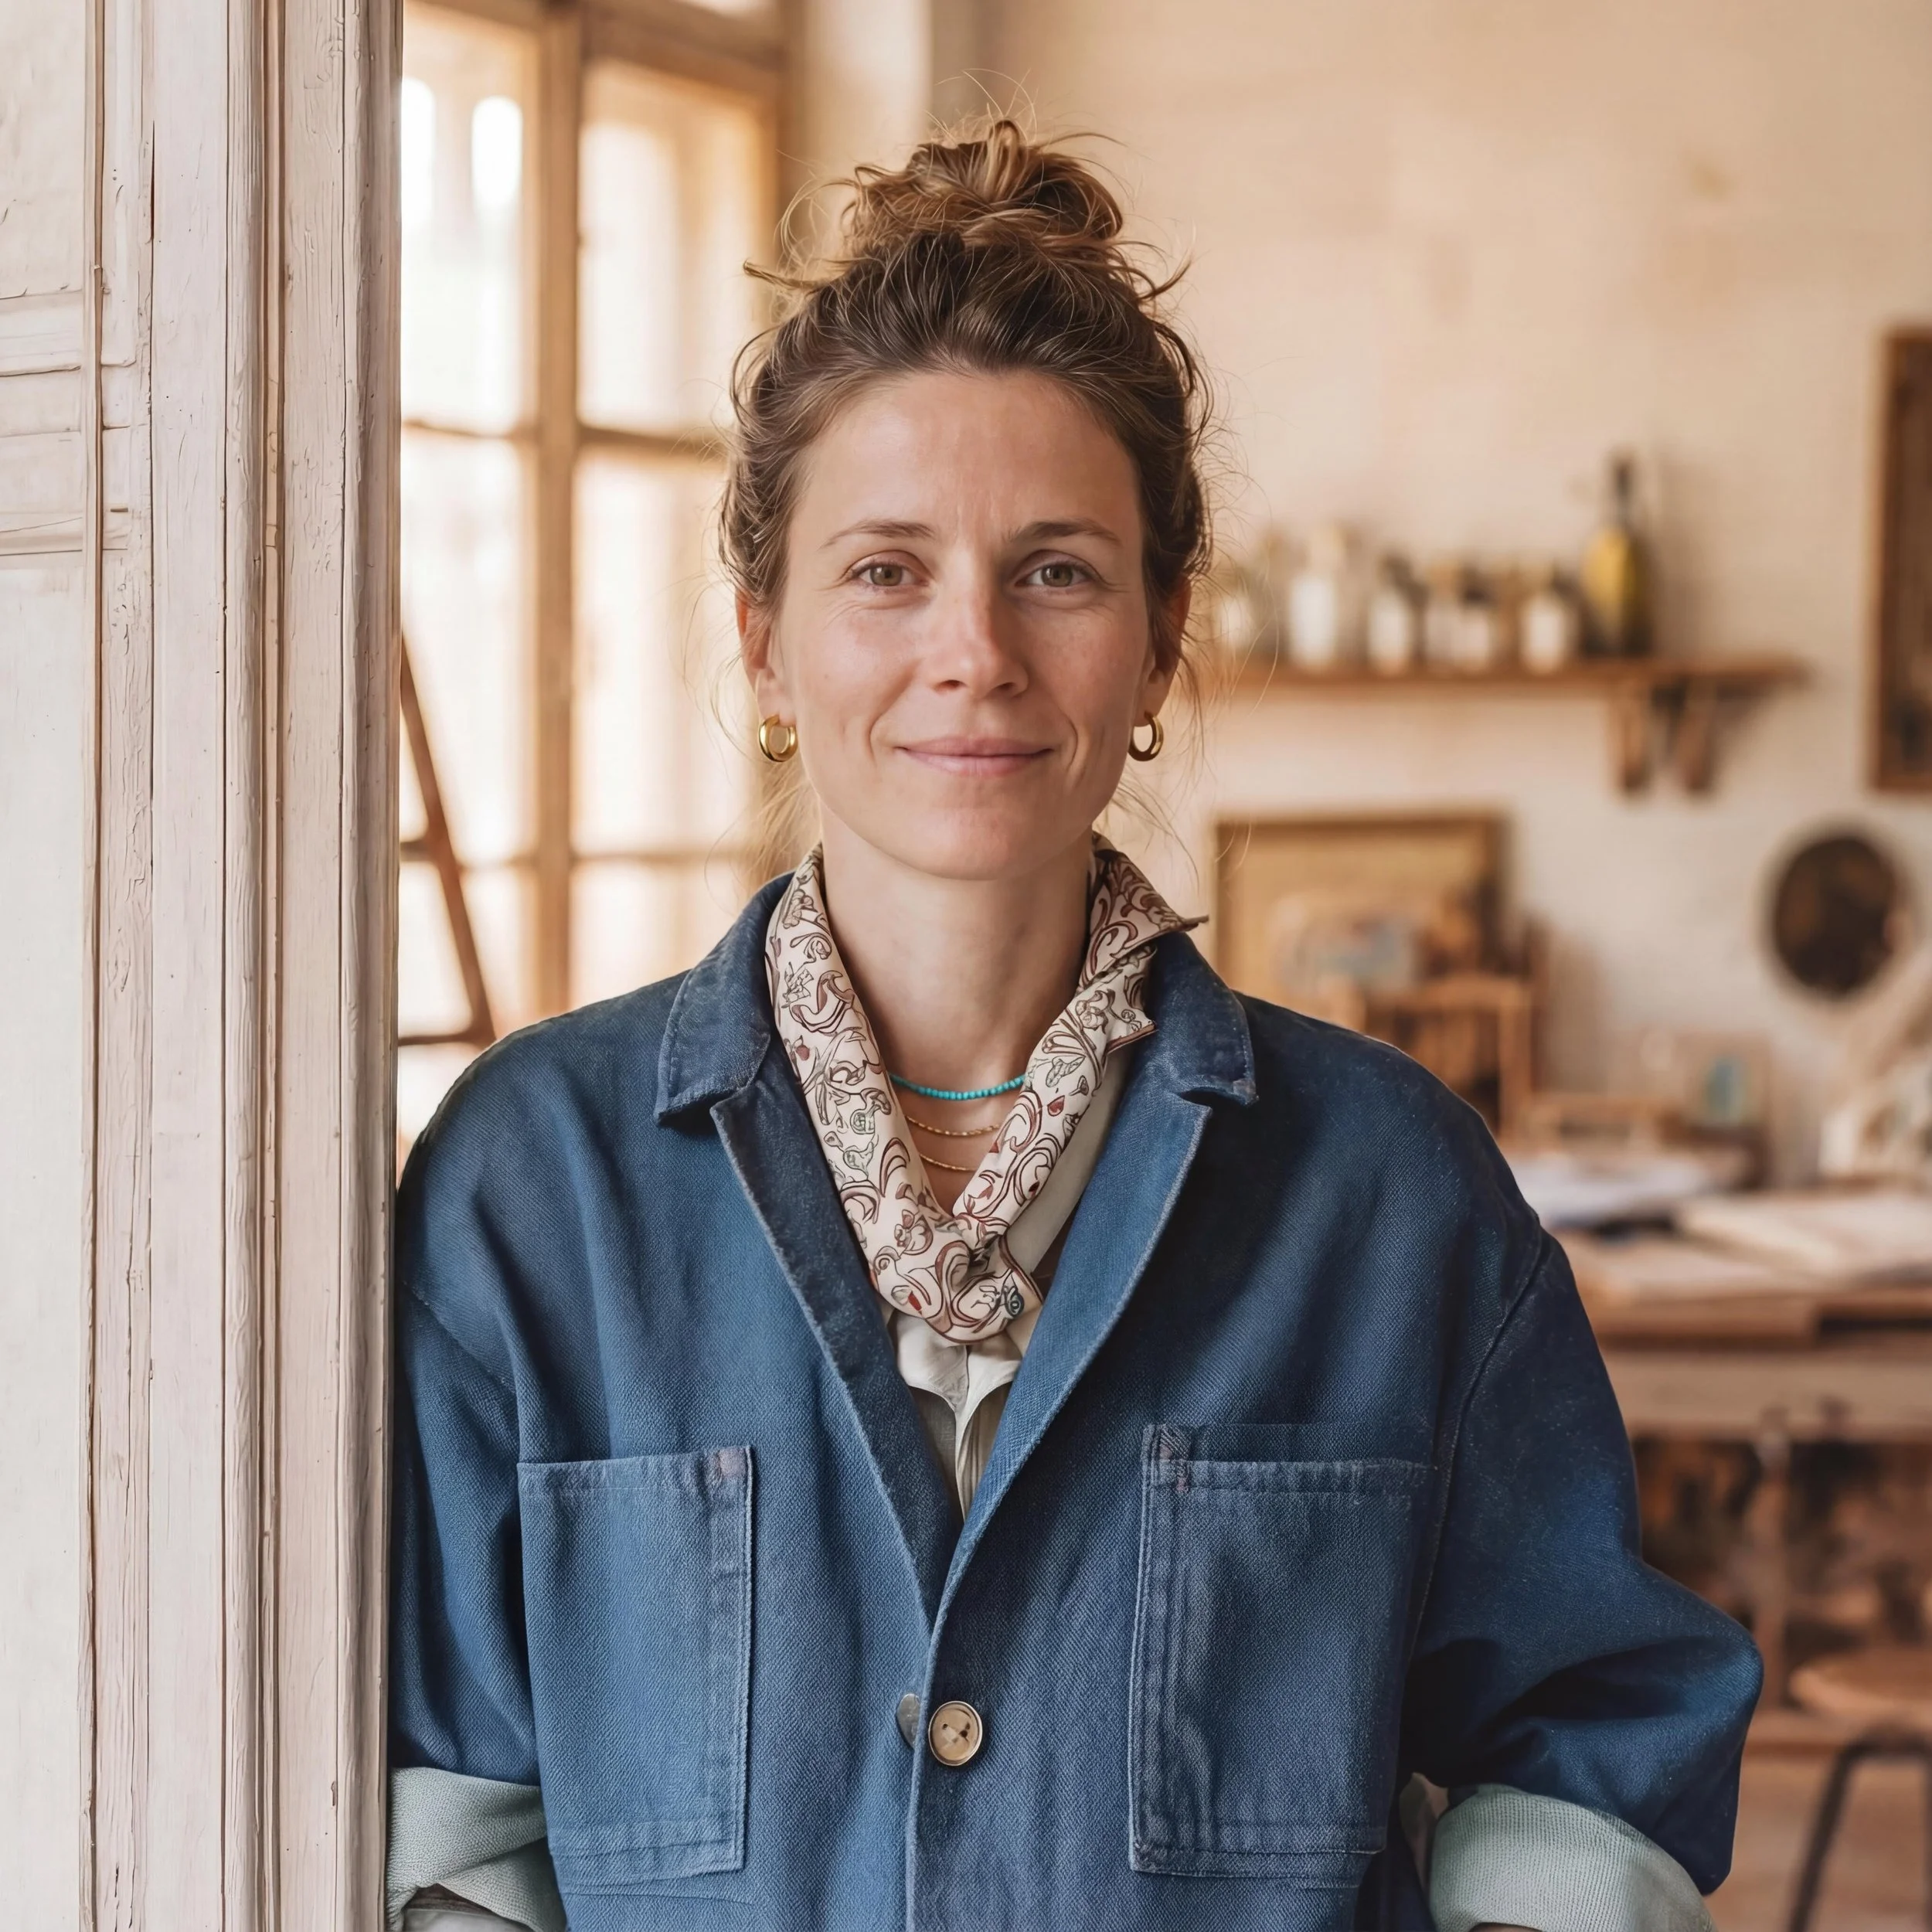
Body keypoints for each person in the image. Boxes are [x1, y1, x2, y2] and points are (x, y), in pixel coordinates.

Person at [386, 123, 1759, 1932]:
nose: (973, 649)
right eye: (884, 569)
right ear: (761, 641)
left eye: (1055, 568)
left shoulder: (1388, 1194)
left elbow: (1585, 1735)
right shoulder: (526, 1191)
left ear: (1161, 638)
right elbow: (456, 1835)